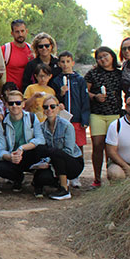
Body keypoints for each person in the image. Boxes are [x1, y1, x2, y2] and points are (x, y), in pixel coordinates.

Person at [0, 91, 52, 197]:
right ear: (6, 105)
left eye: (18, 103)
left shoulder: (32, 118)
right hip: (15, 158)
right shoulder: (2, 124)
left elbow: (40, 139)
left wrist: (22, 148)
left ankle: (38, 182)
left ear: (23, 104)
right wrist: (10, 157)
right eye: (11, 103)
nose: (15, 106)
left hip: (29, 154)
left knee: (41, 150)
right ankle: (17, 178)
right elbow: (1, 150)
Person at [51, 51, 90, 188]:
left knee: (78, 146)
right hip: (62, 119)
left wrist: (85, 119)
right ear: (59, 63)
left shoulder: (79, 80)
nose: (65, 64)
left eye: (68, 61)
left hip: (77, 119)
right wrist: (60, 95)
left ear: (73, 62)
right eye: (62, 62)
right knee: (63, 146)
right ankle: (64, 174)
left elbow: (85, 100)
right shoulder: (56, 80)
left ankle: (76, 174)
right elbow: (53, 100)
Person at [84, 46, 122, 187]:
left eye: (105, 55)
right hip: (97, 115)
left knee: (112, 147)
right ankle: (97, 179)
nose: (103, 59)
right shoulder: (92, 74)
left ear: (112, 56)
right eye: (99, 57)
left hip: (114, 114)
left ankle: (113, 176)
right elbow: (84, 91)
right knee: (98, 146)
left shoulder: (120, 74)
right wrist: (94, 96)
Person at [40, 95, 84, 200]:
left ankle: (64, 189)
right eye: (46, 107)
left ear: (58, 108)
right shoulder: (41, 127)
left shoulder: (66, 125)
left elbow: (69, 150)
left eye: (52, 106)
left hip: (73, 162)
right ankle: (54, 183)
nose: (49, 109)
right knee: (42, 178)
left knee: (55, 152)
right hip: (53, 162)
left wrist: (50, 159)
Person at [1, 19, 33, 90]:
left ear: (26, 31)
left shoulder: (31, 50)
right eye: (17, 32)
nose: (20, 34)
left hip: (27, 92)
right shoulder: (5, 49)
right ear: (12, 33)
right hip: (10, 93)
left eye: (22, 31)